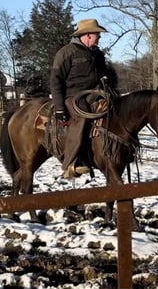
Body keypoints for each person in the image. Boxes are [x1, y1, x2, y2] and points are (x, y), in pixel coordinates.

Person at [50, 18, 118, 179]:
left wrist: (107, 82)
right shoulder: (66, 53)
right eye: (97, 35)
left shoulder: (98, 54)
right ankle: (71, 163)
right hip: (72, 96)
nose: (99, 38)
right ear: (87, 35)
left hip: (95, 93)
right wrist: (59, 107)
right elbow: (56, 80)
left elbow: (103, 73)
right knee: (82, 116)